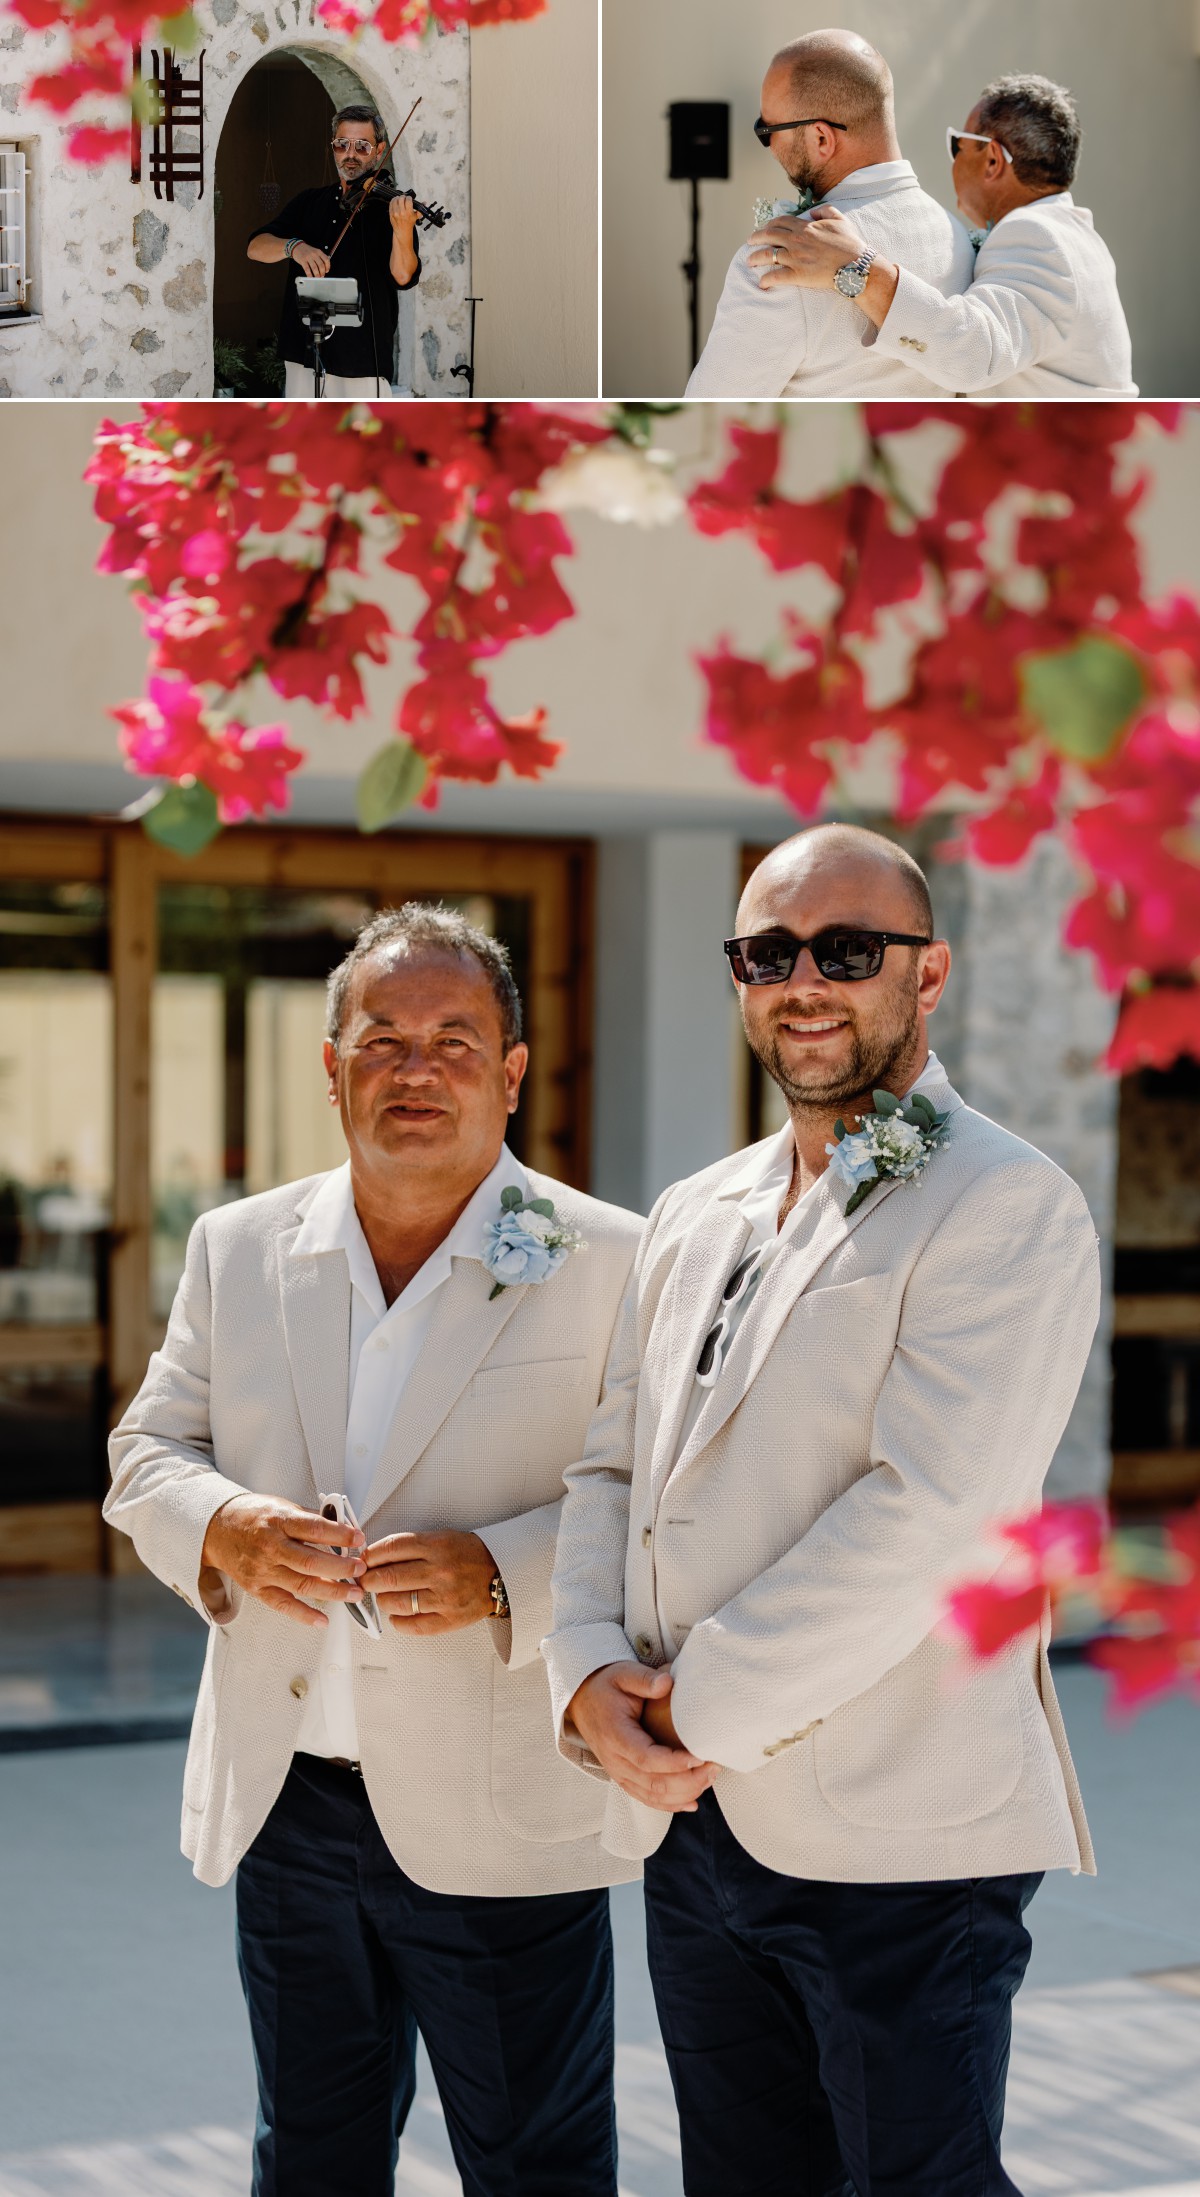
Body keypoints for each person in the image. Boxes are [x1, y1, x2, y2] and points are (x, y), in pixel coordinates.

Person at [544, 824, 1101, 2197]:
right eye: (768, 951)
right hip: (693, 1827)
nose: (804, 980)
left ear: (930, 975)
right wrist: (584, 1674)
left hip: (900, 1834)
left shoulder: (1005, 1203)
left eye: (848, 950)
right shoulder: (691, 1209)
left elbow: (930, 1519)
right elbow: (611, 1465)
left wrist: (688, 1712)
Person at [105, 904, 643, 2197]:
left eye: (456, 1039)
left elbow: (655, 1498)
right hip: (289, 1794)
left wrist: (501, 1569)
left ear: (511, 1072)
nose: (416, 1067)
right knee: (311, 2153)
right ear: (331, 1064)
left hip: (505, 1801)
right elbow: (147, 1451)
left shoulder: (614, 1258)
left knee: (538, 2164)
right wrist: (222, 1523)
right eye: (383, 1038)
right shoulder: (237, 1248)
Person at [749, 73, 1137, 398]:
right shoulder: (1074, 235)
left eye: (958, 144)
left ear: (991, 160)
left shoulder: (1035, 235)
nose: (953, 159)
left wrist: (858, 268)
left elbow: (976, 356)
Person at [684, 30, 973, 399]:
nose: (768, 145)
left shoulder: (781, 262)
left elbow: (712, 408)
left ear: (822, 138)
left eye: (766, 130)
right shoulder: (957, 236)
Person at [247, 104, 420, 398]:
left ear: (379, 151)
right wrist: (294, 247)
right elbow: (255, 247)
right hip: (304, 353)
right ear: (333, 147)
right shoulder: (309, 202)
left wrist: (402, 229)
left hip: (362, 358)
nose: (350, 154)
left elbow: (403, 276)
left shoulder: (389, 210)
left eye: (362, 146)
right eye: (342, 144)